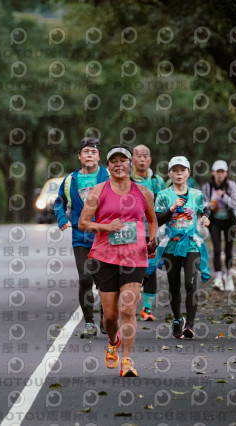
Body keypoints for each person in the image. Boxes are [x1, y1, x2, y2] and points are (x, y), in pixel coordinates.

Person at [79, 145, 158, 377]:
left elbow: (152, 220)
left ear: (130, 165)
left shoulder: (143, 192)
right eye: (114, 161)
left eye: (123, 160)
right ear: (108, 166)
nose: (119, 164)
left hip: (135, 257)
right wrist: (106, 227)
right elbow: (83, 223)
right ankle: (113, 341)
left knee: (128, 308)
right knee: (111, 316)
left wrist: (152, 240)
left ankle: (127, 360)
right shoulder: (98, 191)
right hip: (105, 257)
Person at [54, 137, 109, 339]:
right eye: (86, 151)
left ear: (99, 156)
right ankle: (89, 323)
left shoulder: (108, 176)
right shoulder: (71, 180)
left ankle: (106, 318)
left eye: (93, 152)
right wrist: (62, 218)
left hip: (104, 236)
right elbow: (59, 202)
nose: (89, 155)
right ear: (79, 156)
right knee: (85, 279)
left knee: (105, 281)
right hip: (81, 236)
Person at [153, 156, 210, 339]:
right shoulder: (163, 195)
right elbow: (157, 219)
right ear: (169, 173)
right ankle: (178, 319)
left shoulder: (196, 194)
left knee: (190, 284)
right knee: (174, 285)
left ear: (188, 173)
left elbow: (205, 209)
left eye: (182, 170)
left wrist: (205, 217)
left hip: (192, 244)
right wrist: (171, 209)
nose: (179, 174)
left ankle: (190, 324)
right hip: (171, 245)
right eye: (175, 170)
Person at [130, 144, 166, 321]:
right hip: (130, 233)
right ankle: (128, 307)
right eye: (138, 156)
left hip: (151, 231)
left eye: (145, 156)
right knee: (131, 271)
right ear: (132, 159)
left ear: (150, 160)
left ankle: (147, 309)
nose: (142, 159)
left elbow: (164, 206)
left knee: (150, 270)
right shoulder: (126, 180)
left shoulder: (157, 182)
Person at [201, 160, 236, 291]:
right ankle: (218, 277)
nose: (219, 174)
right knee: (217, 249)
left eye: (222, 172)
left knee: (228, 249)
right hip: (215, 221)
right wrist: (209, 206)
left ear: (226, 173)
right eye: (217, 171)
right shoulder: (207, 187)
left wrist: (224, 196)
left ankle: (228, 276)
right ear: (213, 173)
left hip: (230, 221)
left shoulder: (231, 186)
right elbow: (202, 203)